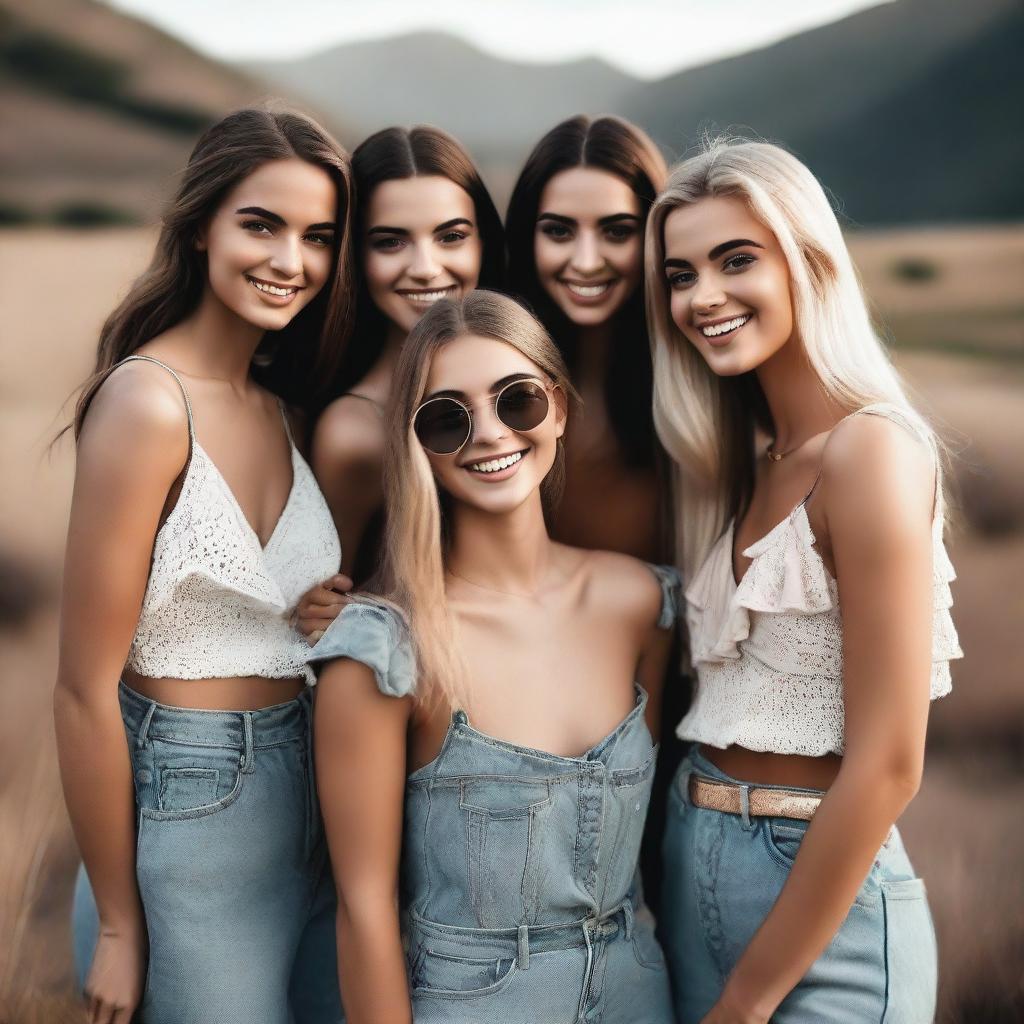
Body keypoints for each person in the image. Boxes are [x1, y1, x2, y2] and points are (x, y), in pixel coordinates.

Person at [646, 138, 962, 1023]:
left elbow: (890, 764)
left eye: (735, 259)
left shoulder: (871, 450)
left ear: (808, 260)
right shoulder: (745, 461)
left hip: (822, 909)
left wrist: (747, 1000)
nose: (702, 296)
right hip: (693, 851)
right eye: (679, 274)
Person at [54, 107, 353, 1024]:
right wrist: (116, 923)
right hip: (191, 806)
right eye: (261, 224)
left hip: (311, 800)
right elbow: (80, 691)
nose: (289, 260)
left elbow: (262, 612)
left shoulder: (283, 408)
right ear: (199, 225)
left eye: (318, 237)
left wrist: (336, 608)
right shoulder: (148, 404)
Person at [309, 291, 679, 1024]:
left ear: (561, 409)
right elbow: (364, 908)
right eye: (447, 417)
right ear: (414, 444)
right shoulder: (382, 650)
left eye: (518, 401)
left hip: (640, 990)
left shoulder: (639, 604)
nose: (488, 435)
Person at [307, 125, 505, 592]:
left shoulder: (527, 380)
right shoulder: (355, 432)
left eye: (451, 237)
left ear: (483, 243)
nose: (425, 268)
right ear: (355, 254)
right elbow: (332, 608)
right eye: (390, 242)